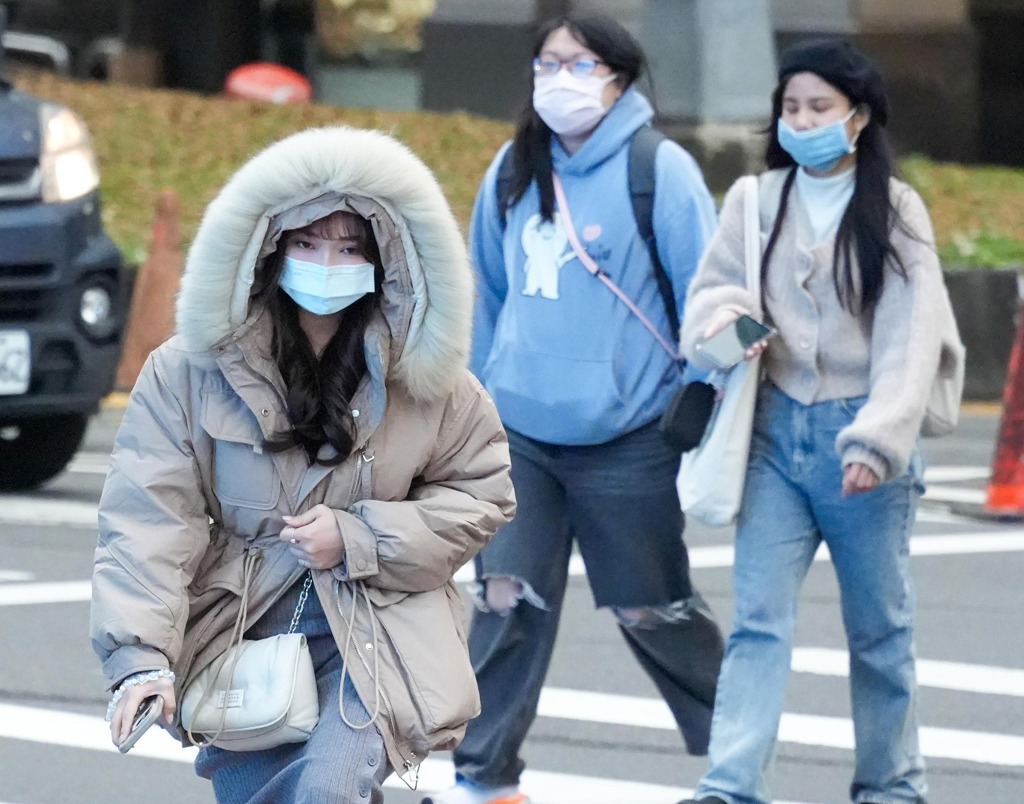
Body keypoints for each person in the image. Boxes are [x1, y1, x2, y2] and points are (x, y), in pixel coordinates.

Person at [90, 126, 517, 803]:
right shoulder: (187, 372)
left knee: (326, 791)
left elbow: (481, 494)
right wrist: (139, 658)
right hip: (242, 626)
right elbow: (149, 517)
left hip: (379, 626)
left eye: (351, 247)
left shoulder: (430, 379)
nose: (328, 262)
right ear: (267, 250)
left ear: (387, 259)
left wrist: (358, 538)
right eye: (308, 243)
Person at [424, 14, 725, 804]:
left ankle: (737, 745)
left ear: (619, 78)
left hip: (630, 438)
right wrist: (478, 400)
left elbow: (710, 296)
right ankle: (483, 777)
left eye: (579, 63)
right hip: (520, 434)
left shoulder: (660, 170)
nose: (559, 77)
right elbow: (486, 289)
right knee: (503, 600)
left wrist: (700, 402)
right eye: (547, 62)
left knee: (650, 608)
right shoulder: (513, 167)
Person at [678, 39, 965, 804]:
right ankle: (730, 786)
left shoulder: (897, 209)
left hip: (860, 438)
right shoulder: (754, 200)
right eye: (790, 106)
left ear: (859, 118)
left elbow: (913, 337)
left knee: (879, 631)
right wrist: (737, 326)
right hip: (772, 434)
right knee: (757, 624)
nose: (800, 120)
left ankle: (892, 785)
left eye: (820, 107)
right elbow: (706, 304)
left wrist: (878, 439)